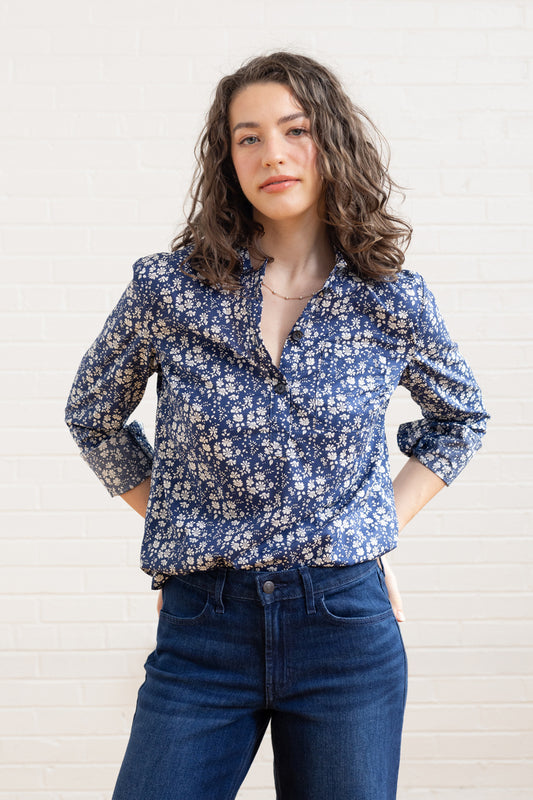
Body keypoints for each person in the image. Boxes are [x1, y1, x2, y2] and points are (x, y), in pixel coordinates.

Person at [65, 51, 488, 800]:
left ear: (330, 141)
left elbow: (459, 419)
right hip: (204, 630)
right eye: (247, 137)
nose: (273, 154)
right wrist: (178, 519)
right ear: (226, 159)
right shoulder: (168, 289)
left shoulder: (389, 299)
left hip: (344, 632)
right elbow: (92, 414)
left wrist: (371, 523)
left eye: (294, 130)